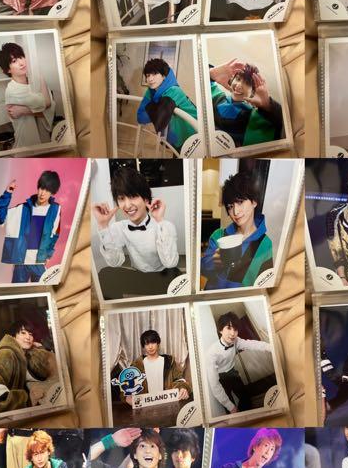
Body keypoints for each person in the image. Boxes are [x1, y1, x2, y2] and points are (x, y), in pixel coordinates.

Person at [94, 164, 180, 294]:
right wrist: (103, 226)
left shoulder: (164, 225)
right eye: (121, 198)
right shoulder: (119, 227)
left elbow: (170, 263)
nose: (127, 205)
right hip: (139, 276)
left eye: (133, 196)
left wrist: (160, 221)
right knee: (105, 274)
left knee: (177, 276)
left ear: (145, 199)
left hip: (163, 276)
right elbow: (115, 263)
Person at [200, 170, 274, 290]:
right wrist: (214, 262)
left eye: (240, 202)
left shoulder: (265, 244)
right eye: (230, 206)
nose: (235, 212)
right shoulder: (219, 235)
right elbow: (201, 269)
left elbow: (264, 286)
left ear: (254, 201)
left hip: (242, 300)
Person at [0, 171, 62, 283]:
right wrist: (8, 193)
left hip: (39, 262)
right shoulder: (23, 209)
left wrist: (48, 255)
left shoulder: (55, 209)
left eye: (47, 190)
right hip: (21, 262)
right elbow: (1, 216)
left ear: (52, 193)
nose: (42, 193)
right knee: (17, 291)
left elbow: (55, 234)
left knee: (40, 291)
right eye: (41, 188)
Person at [203, 313, 274, 420]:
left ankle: (251, 419)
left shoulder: (236, 341)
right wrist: (231, 407)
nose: (233, 333)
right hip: (221, 378)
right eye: (229, 328)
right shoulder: (211, 353)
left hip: (232, 372)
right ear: (220, 330)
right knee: (230, 409)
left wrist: (271, 347)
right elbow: (214, 385)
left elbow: (251, 344)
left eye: (235, 329)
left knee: (245, 397)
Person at [113, 330, 193, 424]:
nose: (150, 347)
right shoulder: (136, 365)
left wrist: (183, 388)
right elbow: (126, 387)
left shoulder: (169, 361)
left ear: (158, 343)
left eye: (153, 342)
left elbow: (178, 379)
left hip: (168, 408)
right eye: (147, 344)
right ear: (143, 346)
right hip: (146, 411)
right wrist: (127, 396)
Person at [208, 60, 285, 148]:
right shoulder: (216, 97)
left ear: (253, 92)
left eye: (247, 83)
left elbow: (280, 121)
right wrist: (211, 73)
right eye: (238, 79)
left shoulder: (253, 118)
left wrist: (267, 104)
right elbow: (199, 81)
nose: (239, 85)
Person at [0, 318, 55, 413]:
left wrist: (38, 348)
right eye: (23, 333)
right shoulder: (6, 353)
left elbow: (41, 369)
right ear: (13, 336)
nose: (28, 337)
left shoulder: (19, 354)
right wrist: (28, 400)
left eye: (30, 334)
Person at [0, 41, 56, 149]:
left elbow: (50, 107)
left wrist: (23, 110)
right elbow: (45, 104)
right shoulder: (12, 91)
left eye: (21, 57)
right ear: (7, 69)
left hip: (44, 139)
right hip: (26, 142)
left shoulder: (35, 82)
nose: (21, 63)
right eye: (14, 61)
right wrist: (38, 108)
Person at [135, 56, 199, 153]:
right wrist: (156, 107)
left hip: (194, 133)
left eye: (154, 74)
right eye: (148, 75)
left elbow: (160, 121)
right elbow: (140, 117)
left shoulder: (174, 91)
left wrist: (152, 106)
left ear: (164, 76)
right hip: (179, 138)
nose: (150, 79)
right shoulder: (152, 91)